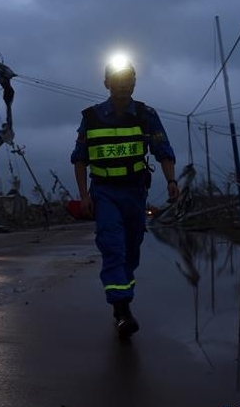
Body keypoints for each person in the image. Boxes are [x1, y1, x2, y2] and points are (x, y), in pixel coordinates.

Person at [70, 54, 179, 339]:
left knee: (131, 249)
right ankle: (122, 310)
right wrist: (84, 196)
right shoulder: (91, 117)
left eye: (128, 80)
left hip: (134, 192)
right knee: (113, 246)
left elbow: (162, 149)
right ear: (106, 83)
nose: (123, 85)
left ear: (134, 83)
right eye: (117, 81)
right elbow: (80, 160)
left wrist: (171, 181)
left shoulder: (146, 114)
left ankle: (123, 295)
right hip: (104, 192)